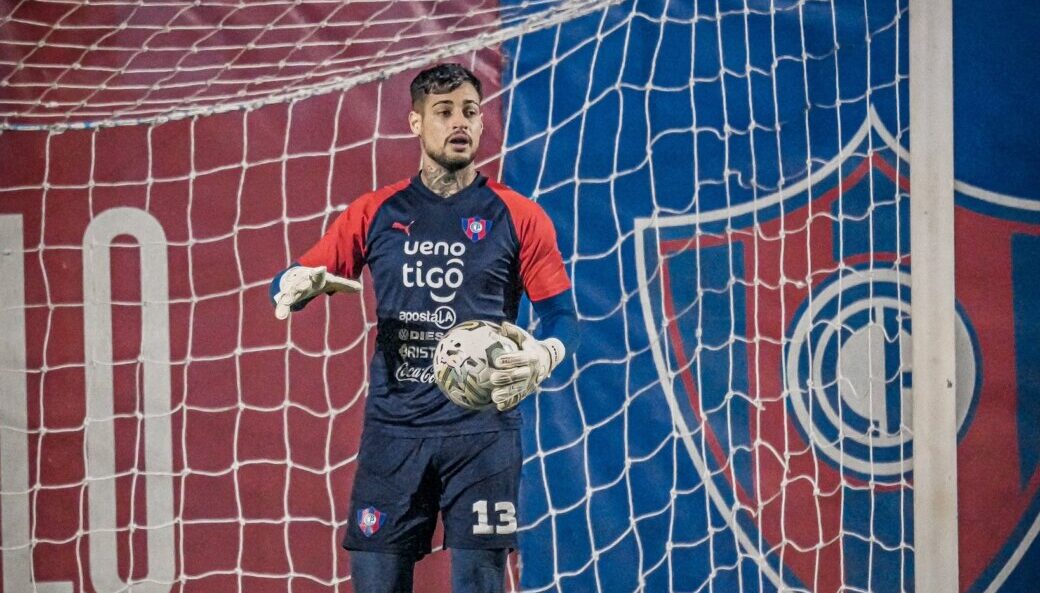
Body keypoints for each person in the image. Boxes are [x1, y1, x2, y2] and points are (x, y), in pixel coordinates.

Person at [269, 63, 579, 593]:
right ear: (416, 123)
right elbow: (298, 276)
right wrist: (293, 284)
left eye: (469, 112)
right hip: (394, 433)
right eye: (443, 112)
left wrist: (544, 355)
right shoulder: (375, 212)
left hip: (483, 434)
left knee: (480, 584)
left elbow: (562, 317)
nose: (459, 123)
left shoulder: (518, 215)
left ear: (481, 124)